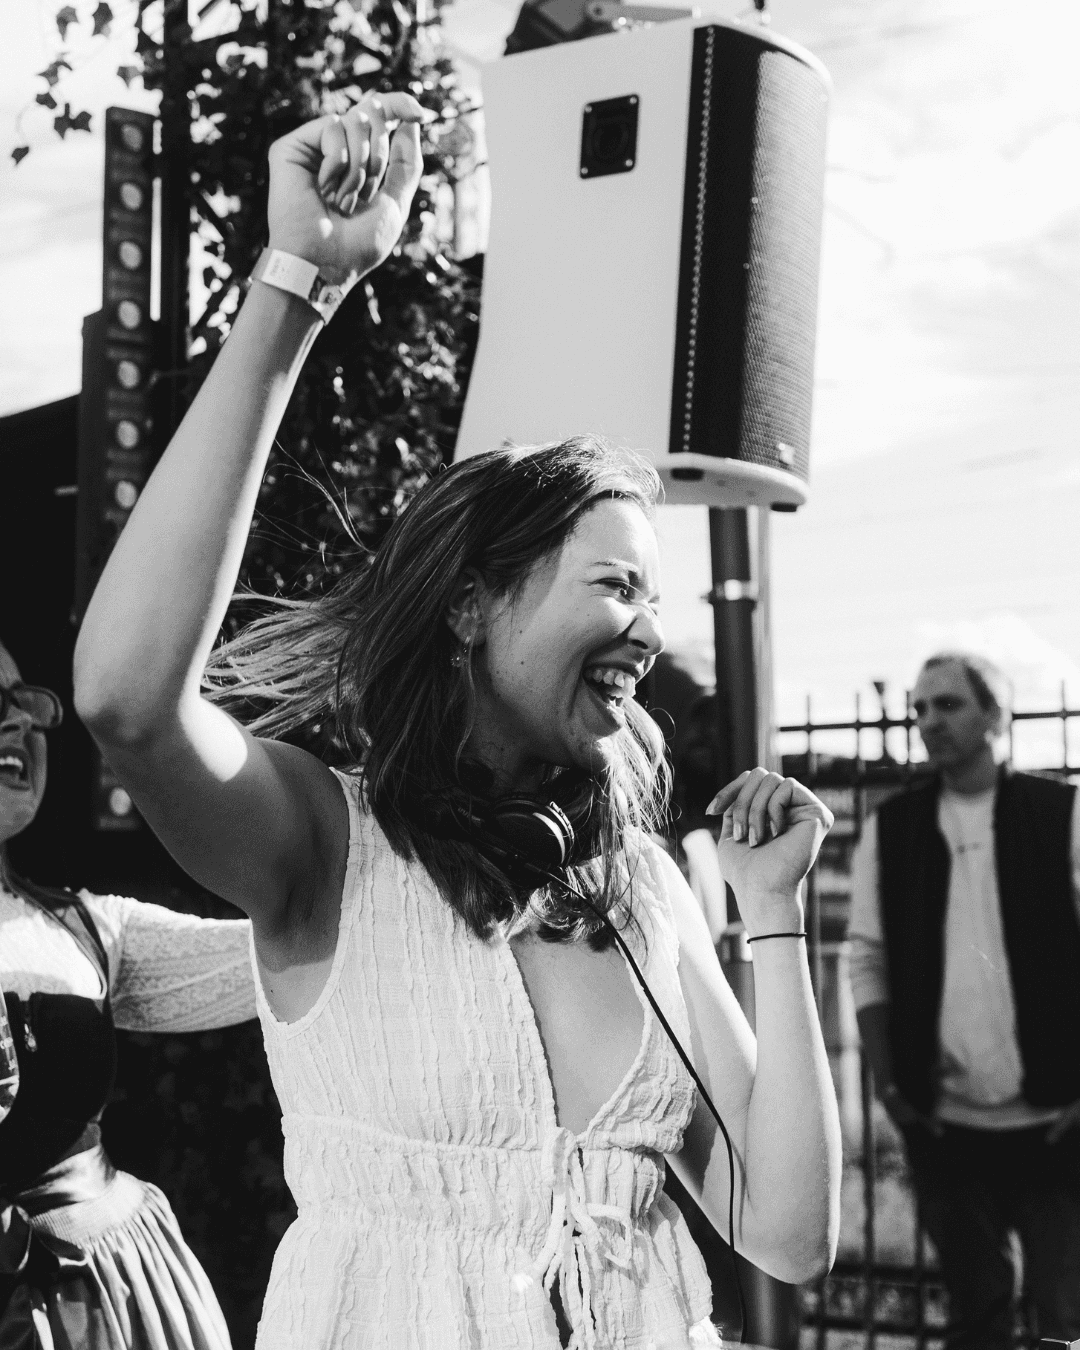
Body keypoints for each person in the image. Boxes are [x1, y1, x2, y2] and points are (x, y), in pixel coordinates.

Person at [72, 91, 842, 1350]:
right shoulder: (323, 849)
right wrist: (297, 287)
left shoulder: (641, 892)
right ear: (474, 605)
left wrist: (774, 911)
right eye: (616, 585)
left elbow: (790, 1234)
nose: (650, 632)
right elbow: (125, 699)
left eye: (656, 598)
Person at [0, 638, 257, 1349]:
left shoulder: (85, 928)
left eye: (24, 702)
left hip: (99, 1299)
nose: (16, 720)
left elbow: (280, 954)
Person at [849, 651, 1080, 1348]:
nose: (928, 721)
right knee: (977, 1321)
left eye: (947, 704)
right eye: (919, 708)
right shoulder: (891, 828)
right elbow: (867, 955)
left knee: (1065, 1319)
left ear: (994, 715)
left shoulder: (1062, 812)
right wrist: (890, 1084)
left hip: (1057, 1122)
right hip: (945, 1125)